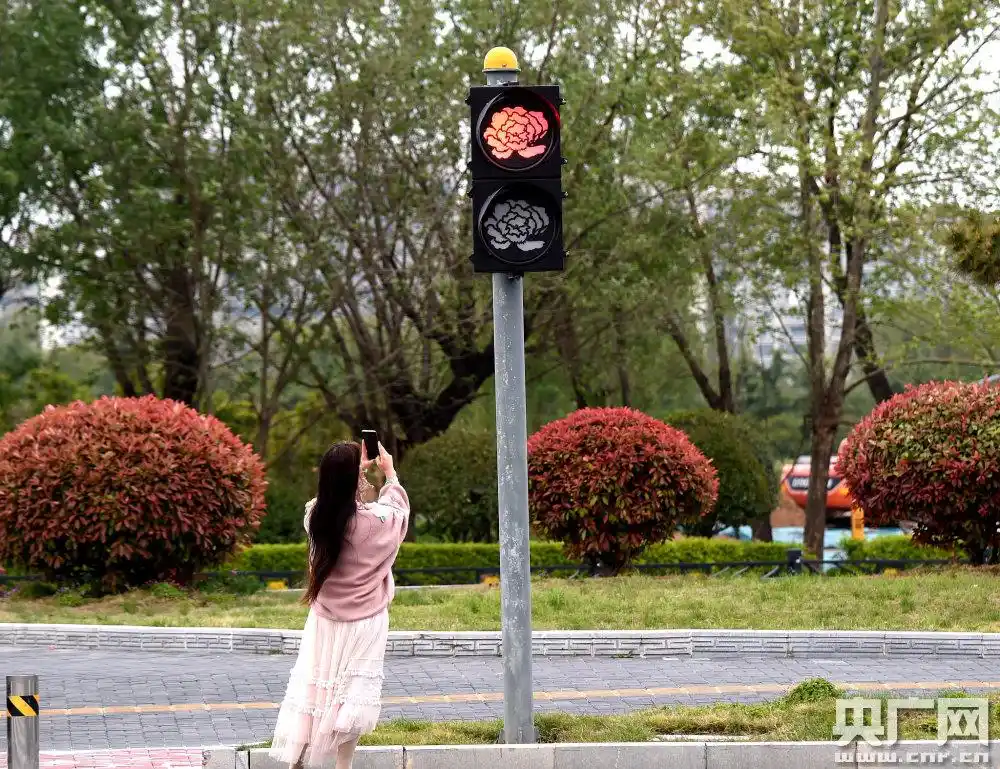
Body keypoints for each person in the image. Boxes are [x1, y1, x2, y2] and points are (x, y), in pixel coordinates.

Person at [268, 440, 409, 769]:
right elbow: (399, 512)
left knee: (313, 692)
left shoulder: (317, 518)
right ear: (355, 478)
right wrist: (388, 472)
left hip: (324, 621)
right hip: (366, 622)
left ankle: (297, 762)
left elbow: (328, 499)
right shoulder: (375, 523)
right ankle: (342, 767)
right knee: (352, 696)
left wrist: (350, 471)